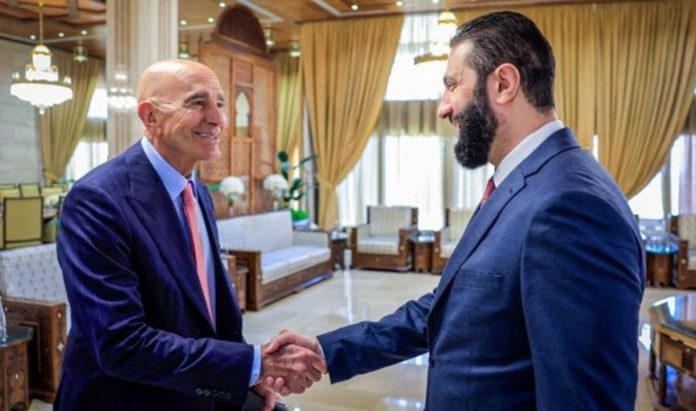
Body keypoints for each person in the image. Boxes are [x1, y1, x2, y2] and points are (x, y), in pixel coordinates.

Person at [266, 11, 645, 410]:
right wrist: (329, 350)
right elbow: (455, 307)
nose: (443, 109)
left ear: (504, 84)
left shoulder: (571, 206)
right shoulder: (523, 182)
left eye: (451, 85)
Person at [56, 59, 324, 411]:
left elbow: (209, 311)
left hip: (198, 390)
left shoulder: (197, 192)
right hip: (127, 399)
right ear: (151, 117)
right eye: (197, 103)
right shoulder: (97, 199)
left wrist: (244, 377)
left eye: (220, 103)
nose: (217, 118)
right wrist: (254, 365)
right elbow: (121, 344)